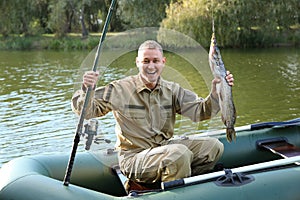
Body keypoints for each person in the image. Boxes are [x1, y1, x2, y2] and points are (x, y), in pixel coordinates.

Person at [72, 40, 234, 192]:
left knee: (213, 147)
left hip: (163, 146)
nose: (151, 66)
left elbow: (201, 112)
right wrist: (87, 90)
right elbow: (87, 111)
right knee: (179, 154)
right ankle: (155, 188)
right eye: (146, 61)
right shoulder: (120, 89)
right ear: (137, 62)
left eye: (155, 61)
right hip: (133, 157)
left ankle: (174, 183)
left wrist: (215, 93)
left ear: (163, 62)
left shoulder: (172, 89)